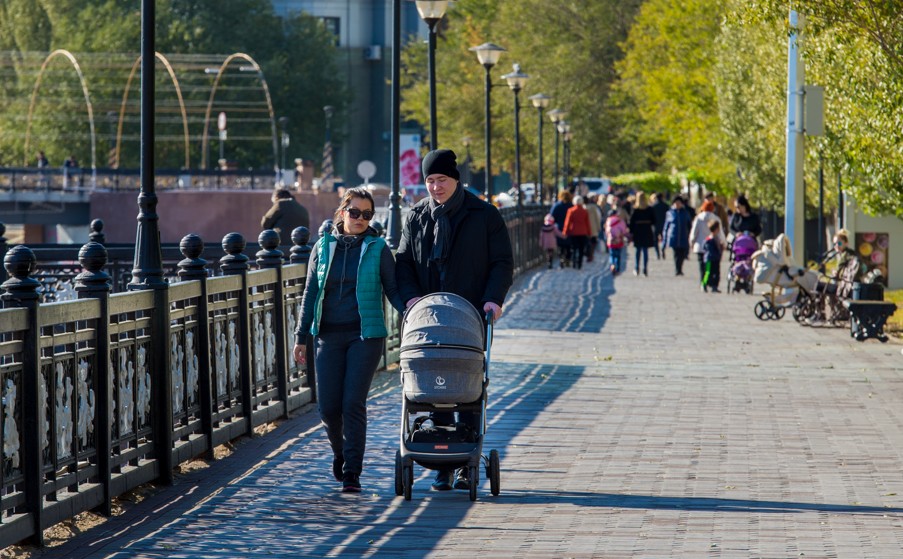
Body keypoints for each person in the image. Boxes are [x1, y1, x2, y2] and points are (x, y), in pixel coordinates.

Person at [395, 148, 514, 492]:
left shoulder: (484, 215)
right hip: (428, 316)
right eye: (429, 180)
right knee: (433, 382)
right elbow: (403, 262)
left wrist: (494, 298)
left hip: (471, 313)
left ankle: (466, 459)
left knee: (468, 382)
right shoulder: (417, 216)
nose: (435, 187)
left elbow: (502, 261)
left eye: (441, 180)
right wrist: (411, 298)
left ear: (456, 180)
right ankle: (441, 463)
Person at [292, 188, 405, 493]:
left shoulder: (377, 248)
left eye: (367, 215)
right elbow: (310, 293)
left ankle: (352, 472)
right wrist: (301, 336)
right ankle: (341, 455)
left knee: (352, 403)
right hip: (327, 336)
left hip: (364, 336)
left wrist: (412, 311)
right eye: (354, 212)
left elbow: (393, 289)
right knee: (329, 408)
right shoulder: (323, 247)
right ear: (342, 212)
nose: (360, 219)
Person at [690, 200, 724, 290]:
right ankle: (713, 284)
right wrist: (723, 243)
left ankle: (703, 282)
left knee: (703, 268)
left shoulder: (698, 218)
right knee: (714, 269)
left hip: (700, 246)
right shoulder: (716, 219)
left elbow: (694, 232)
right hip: (714, 248)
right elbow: (721, 233)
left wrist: (692, 242)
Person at [661, 196, 692, 275]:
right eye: (676, 203)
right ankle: (677, 269)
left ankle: (680, 268)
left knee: (682, 254)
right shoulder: (670, 213)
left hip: (683, 236)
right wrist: (664, 239)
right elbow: (666, 226)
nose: (678, 204)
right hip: (674, 236)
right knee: (676, 253)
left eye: (679, 203)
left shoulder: (685, 213)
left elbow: (689, 224)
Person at [628, 192, 656, 276]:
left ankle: (637, 268)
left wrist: (631, 232)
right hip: (646, 230)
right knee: (645, 250)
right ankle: (645, 268)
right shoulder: (649, 209)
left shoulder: (635, 209)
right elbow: (654, 220)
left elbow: (631, 222)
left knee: (638, 250)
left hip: (638, 231)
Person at [563, 196, 592, 270]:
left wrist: (565, 231)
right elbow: (587, 223)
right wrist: (589, 232)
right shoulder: (584, 211)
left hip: (574, 232)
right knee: (581, 249)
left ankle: (574, 262)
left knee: (574, 248)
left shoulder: (571, 210)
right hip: (583, 232)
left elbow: (567, 222)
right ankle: (579, 263)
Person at [549, 190, 573, 267]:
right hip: (569, 228)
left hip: (559, 227)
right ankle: (567, 258)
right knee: (568, 245)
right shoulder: (571, 205)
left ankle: (562, 257)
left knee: (560, 245)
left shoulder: (557, 205)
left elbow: (552, 216)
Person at [702, 219, 725, 293]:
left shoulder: (716, 238)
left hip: (715, 258)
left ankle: (714, 286)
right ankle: (704, 284)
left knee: (716, 273)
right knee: (708, 272)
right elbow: (707, 248)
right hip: (710, 259)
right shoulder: (710, 239)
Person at [604, 208, 629, 276]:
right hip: (619, 240)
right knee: (618, 255)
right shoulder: (620, 221)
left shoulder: (608, 221)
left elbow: (606, 231)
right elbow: (624, 230)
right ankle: (617, 268)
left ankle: (612, 264)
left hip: (611, 240)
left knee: (612, 254)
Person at [584, 194, 603, 263]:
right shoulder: (593, 207)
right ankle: (590, 255)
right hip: (593, 227)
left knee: (588, 242)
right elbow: (598, 218)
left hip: (585, 228)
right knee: (592, 242)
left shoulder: (583, 207)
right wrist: (599, 227)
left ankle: (589, 254)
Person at [650, 192, 669, 259]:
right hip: (664, 225)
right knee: (664, 239)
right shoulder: (666, 205)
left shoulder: (653, 206)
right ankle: (663, 249)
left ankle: (657, 253)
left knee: (655, 240)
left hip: (655, 225)